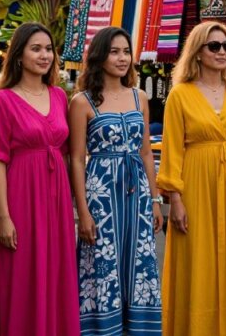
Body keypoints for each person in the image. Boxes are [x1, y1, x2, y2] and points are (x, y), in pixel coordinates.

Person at [158, 21, 226, 336]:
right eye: (214, 46)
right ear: (198, 52)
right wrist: (175, 199)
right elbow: (172, 149)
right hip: (195, 184)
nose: (222, 52)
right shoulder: (180, 94)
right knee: (198, 260)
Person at [0, 22, 79, 335]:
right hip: (22, 197)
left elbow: (67, 155)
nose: (45, 55)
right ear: (19, 55)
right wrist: (4, 216)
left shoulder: (60, 96)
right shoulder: (2, 101)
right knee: (23, 274)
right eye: (36, 48)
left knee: (56, 273)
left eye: (49, 49)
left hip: (57, 200)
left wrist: (75, 208)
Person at [68, 26, 163, 335]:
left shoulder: (140, 97)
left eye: (126, 52)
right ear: (99, 56)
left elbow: (146, 152)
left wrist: (156, 200)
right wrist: (81, 211)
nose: (122, 58)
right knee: (102, 264)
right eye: (114, 51)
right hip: (101, 194)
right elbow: (77, 158)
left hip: (138, 196)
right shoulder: (82, 101)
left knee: (140, 262)